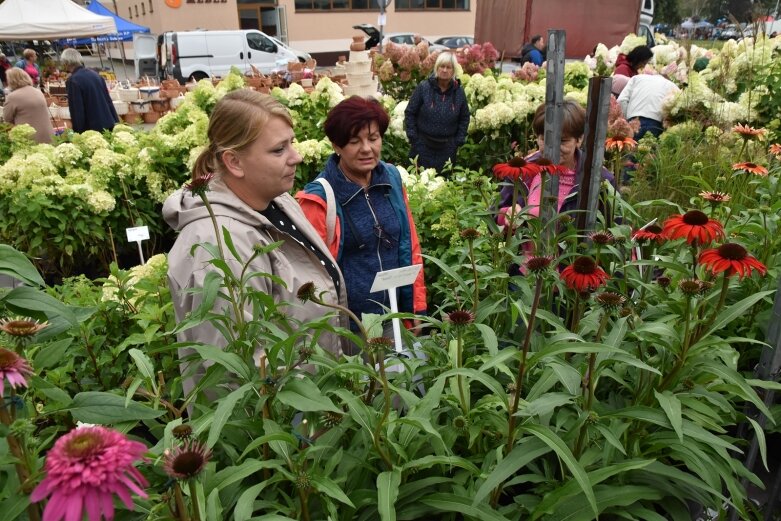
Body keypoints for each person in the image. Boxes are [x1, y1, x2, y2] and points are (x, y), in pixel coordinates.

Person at [164, 89, 347, 391]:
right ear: (234, 162)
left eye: (292, 143)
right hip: (279, 429)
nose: (296, 157)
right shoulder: (218, 247)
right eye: (279, 150)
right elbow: (238, 375)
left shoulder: (277, 202)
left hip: (313, 411)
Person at [297, 96, 426, 338]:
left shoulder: (391, 179)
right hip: (349, 328)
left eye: (373, 138)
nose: (367, 149)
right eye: (354, 141)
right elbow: (310, 274)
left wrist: (415, 307)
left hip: (395, 316)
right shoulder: (319, 199)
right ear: (337, 146)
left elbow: (410, 244)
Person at [497, 100, 615, 229]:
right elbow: (495, 216)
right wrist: (507, 215)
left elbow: (614, 227)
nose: (553, 148)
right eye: (545, 139)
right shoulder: (522, 172)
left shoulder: (600, 179)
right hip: (529, 249)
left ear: (579, 139)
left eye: (563, 141)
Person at [404, 52, 470, 174]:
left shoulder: (459, 92)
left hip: (447, 149)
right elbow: (410, 112)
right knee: (419, 184)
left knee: (443, 185)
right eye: (442, 66)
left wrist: (458, 141)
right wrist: (413, 137)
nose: (444, 70)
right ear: (436, 68)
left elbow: (464, 117)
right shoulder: (424, 87)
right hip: (422, 147)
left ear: (453, 70)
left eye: (448, 67)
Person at [60, 48, 118, 134]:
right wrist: (116, 121)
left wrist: (78, 133)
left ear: (66, 63)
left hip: (92, 129)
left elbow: (77, 110)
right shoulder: (95, 75)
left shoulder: (73, 81)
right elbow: (108, 100)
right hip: (108, 122)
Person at [617, 73, 680, 140]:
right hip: (656, 123)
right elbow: (679, 107)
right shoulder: (671, 85)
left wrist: (626, 120)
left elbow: (621, 100)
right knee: (650, 148)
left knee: (631, 149)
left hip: (633, 120)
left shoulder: (636, 78)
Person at [2, 68, 54, 144]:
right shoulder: (38, 91)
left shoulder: (12, 97)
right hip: (48, 136)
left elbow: (7, 119)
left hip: (30, 139)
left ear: (11, 81)